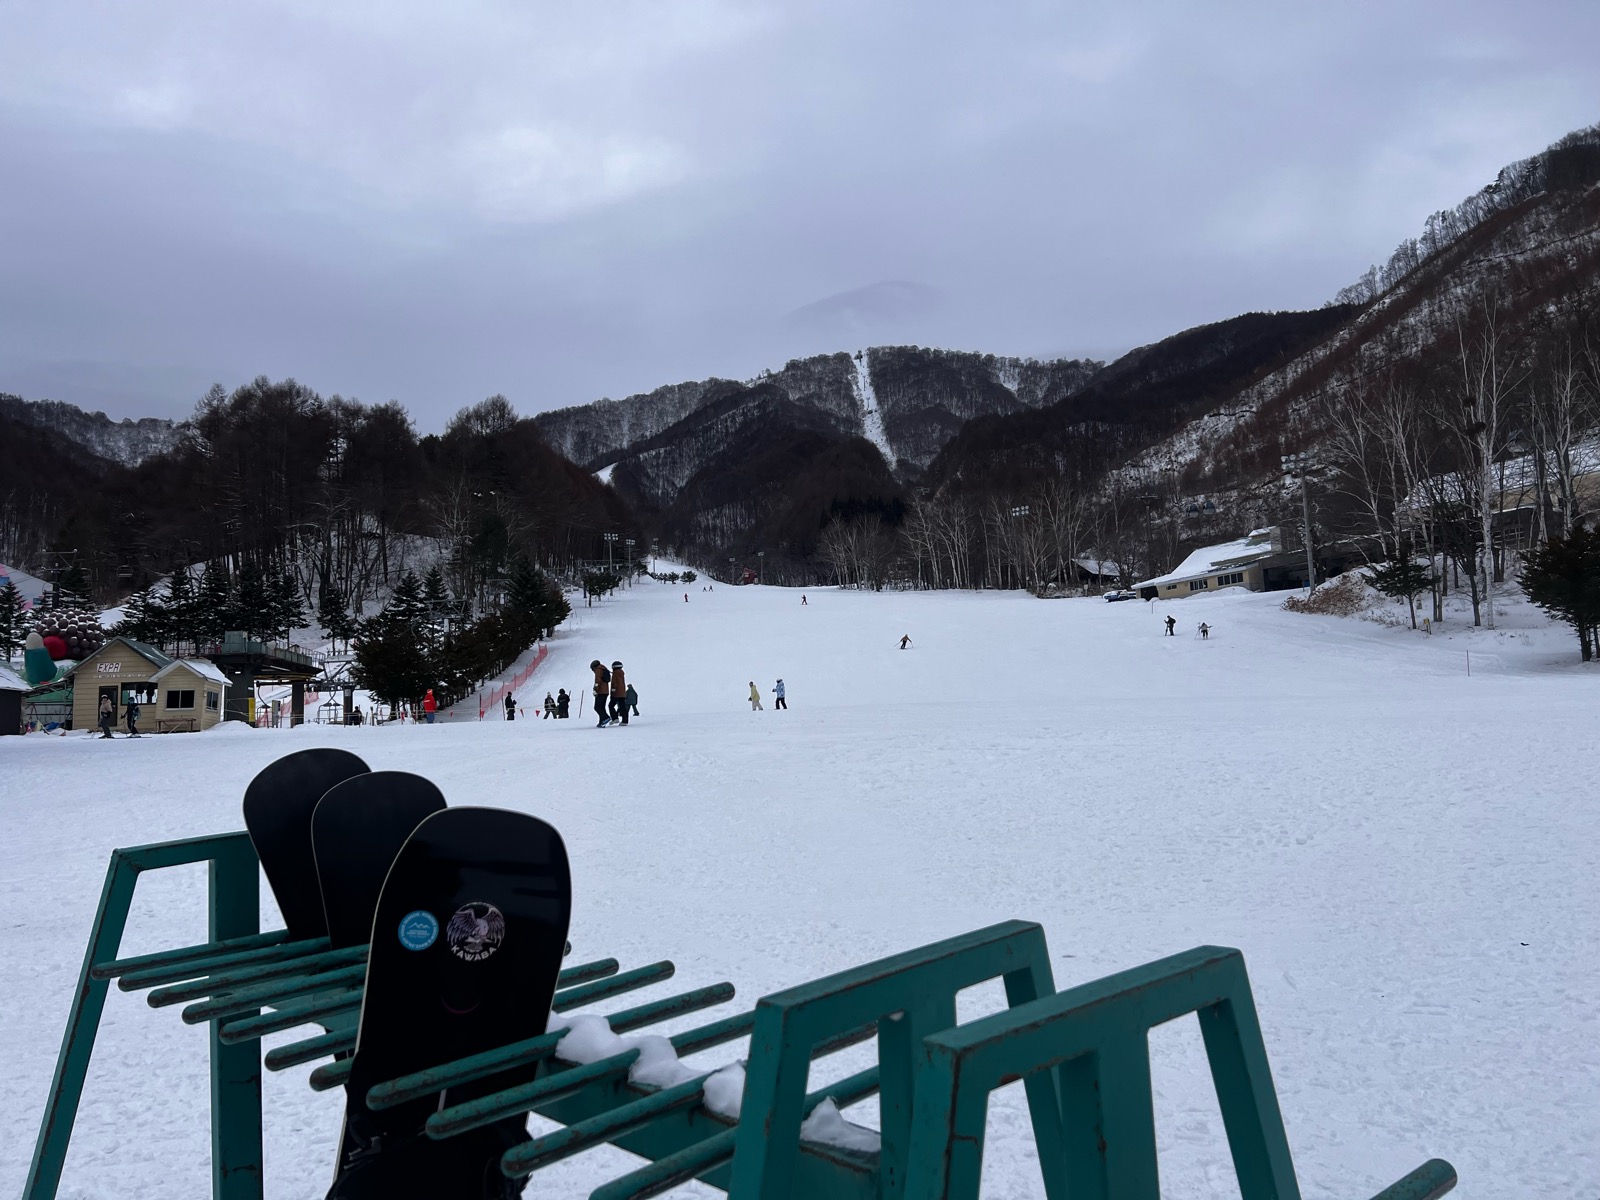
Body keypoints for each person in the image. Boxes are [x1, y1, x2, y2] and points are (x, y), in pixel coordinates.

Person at [591, 660, 612, 726]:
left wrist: (595, 689)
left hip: (600, 691)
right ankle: (601, 722)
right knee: (602, 707)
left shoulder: (598, 670)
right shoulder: (603, 669)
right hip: (605, 691)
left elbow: (597, 681)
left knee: (597, 707)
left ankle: (606, 717)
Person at [610, 660, 629, 726]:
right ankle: (625, 721)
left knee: (611, 706)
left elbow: (614, 683)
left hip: (616, 693)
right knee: (622, 706)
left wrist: (613, 691)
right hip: (622, 693)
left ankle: (615, 718)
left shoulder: (615, 674)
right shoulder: (621, 673)